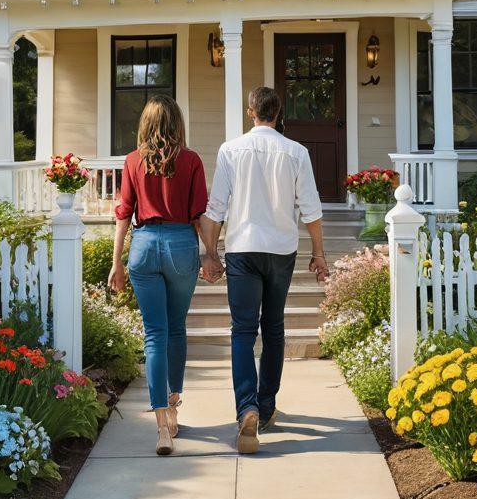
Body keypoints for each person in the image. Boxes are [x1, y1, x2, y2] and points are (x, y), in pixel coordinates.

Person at [199, 85, 329, 454]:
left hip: (242, 249)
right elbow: (311, 209)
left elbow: (216, 208)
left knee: (242, 331)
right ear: (279, 112)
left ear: (250, 111)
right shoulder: (297, 152)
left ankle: (247, 408)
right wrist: (319, 254)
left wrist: (210, 254)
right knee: (273, 328)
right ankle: (266, 405)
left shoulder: (230, 150)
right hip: (280, 250)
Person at [108, 95, 207, 456]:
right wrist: (211, 253)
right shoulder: (192, 160)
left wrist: (116, 261)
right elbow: (199, 215)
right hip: (181, 242)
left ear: (145, 125)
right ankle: (174, 401)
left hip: (144, 244)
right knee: (176, 328)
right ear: (177, 123)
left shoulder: (132, 161)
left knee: (154, 335)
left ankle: (162, 425)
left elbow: (123, 214)